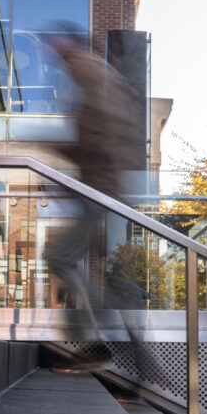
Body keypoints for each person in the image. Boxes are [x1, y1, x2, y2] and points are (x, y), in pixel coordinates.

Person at [43, 24, 154, 373]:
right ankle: (136, 353)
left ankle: (93, 344)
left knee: (59, 257)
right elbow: (102, 132)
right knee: (93, 271)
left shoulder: (85, 67)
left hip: (103, 187)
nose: (48, 50)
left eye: (52, 42)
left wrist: (46, 145)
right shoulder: (91, 70)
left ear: (69, 42)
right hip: (105, 186)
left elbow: (102, 132)